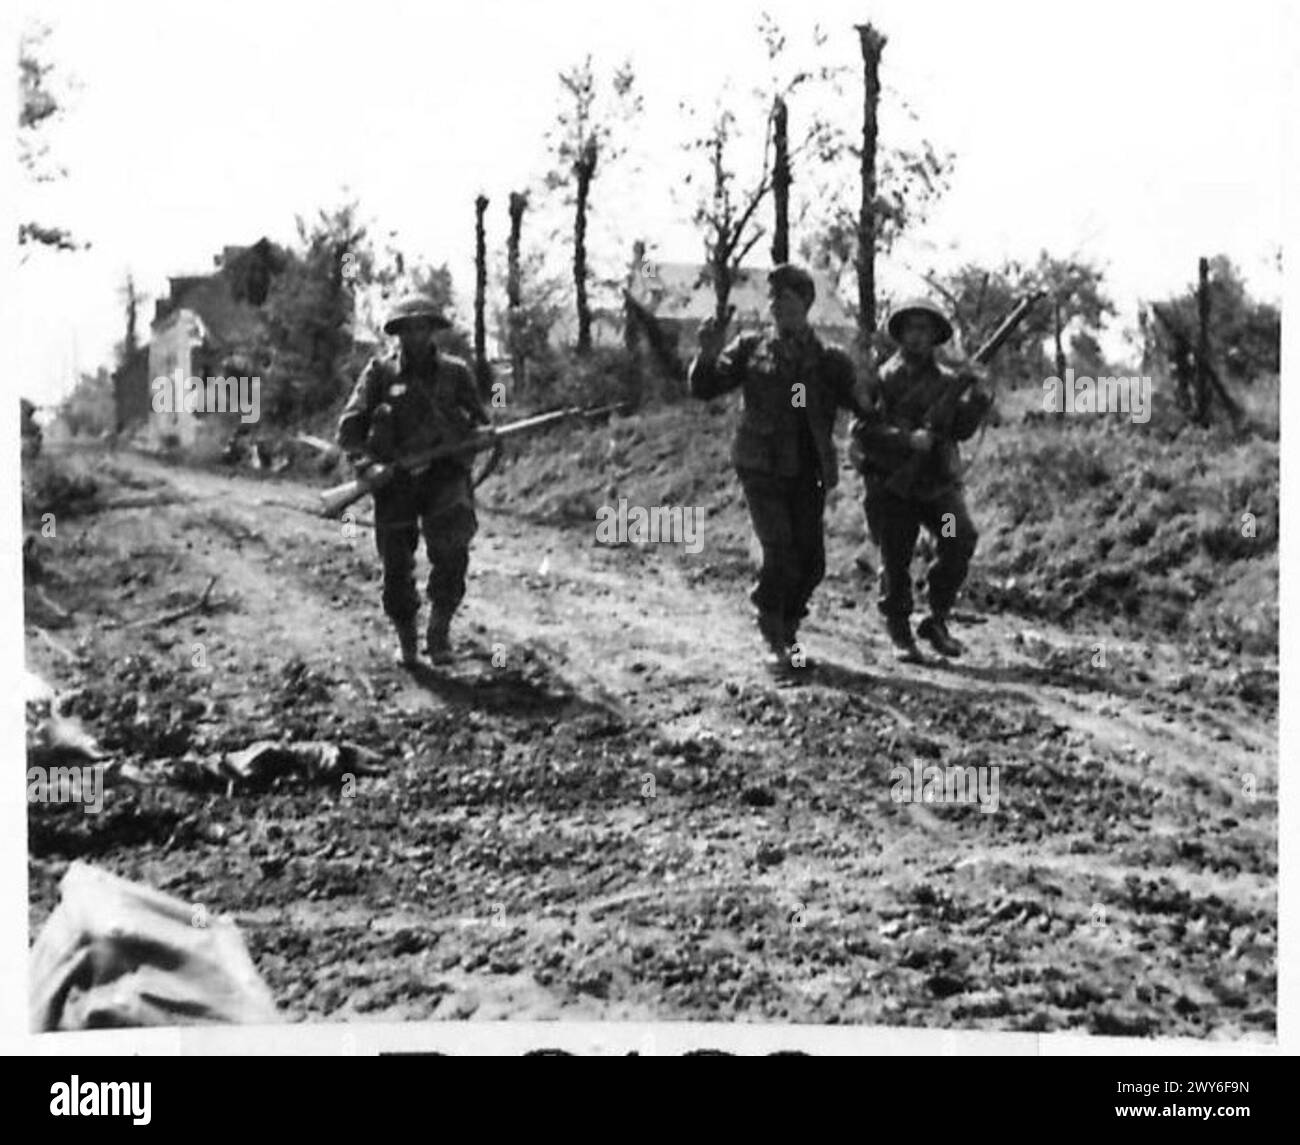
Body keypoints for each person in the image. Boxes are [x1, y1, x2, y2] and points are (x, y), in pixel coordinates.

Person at [689, 264, 871, 669]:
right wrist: (706, 352)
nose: (777, 308)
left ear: (805, 304)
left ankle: (788, 628)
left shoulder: (829, 360)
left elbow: (864, 406)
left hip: (809, 470)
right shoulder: (751, 348)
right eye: (773, 300)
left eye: (786, 300)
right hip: (761, 465)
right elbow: (704, 388)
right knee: (778, 551)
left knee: (812, 562)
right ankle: (773, 632)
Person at [337, 295, 489, 666]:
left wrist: (484, 433)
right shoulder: (379, 373)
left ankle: (439, 632)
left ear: (433, 330)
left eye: (423, 327)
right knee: (396, 563)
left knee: (453, 548)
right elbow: (350, 429)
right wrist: (366, 466)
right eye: (409, 328)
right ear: (398, 333)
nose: (416, 335)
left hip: (444, 474)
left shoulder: (456, 373)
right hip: (395, 481)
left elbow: (480, 419)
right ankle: (406, 638)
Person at [849, 297, 992, 662]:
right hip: (891, 485)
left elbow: (960, 429)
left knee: (958, 537)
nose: (917, 337)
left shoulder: (948, 381)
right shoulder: (882, 378)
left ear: (934, 336)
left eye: (924, 329)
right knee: (896, 558)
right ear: (900, 334)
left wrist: (977, 397)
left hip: (934, 488)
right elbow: (862, 428)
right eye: (910, 328)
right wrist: (905, 439)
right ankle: (900, 632)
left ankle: (937, 618)